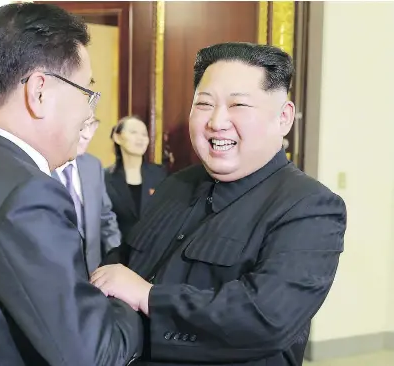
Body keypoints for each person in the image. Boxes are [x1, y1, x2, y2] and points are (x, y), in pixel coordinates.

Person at [91, 42, 347, 366]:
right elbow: (122, 265)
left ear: (283, 118)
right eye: (204, 103)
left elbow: (265, 318)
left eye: (238, 104)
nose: (216, 121)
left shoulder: (311, 207)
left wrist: (148, 297)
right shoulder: (174, 184)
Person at [0, 4, 142, 366]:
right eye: (87, 92)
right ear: (39, 91)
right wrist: (131, 299)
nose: (88, 113)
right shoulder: (28, 193)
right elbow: (94, 354)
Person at [53, 116, 121, 274]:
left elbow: (106, 218)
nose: (88, 135)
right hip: (54, 274)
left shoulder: (93, 165)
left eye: (93, 125)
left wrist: (117, 261)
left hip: (92, 273)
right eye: (82, 126)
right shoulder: (38, 166)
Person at [105, 116, 167, 239]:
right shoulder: (104, 177)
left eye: (144, 134)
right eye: (133, 132)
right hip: (117, 251)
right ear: (117, 137)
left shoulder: (160, 174)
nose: (141, 138)